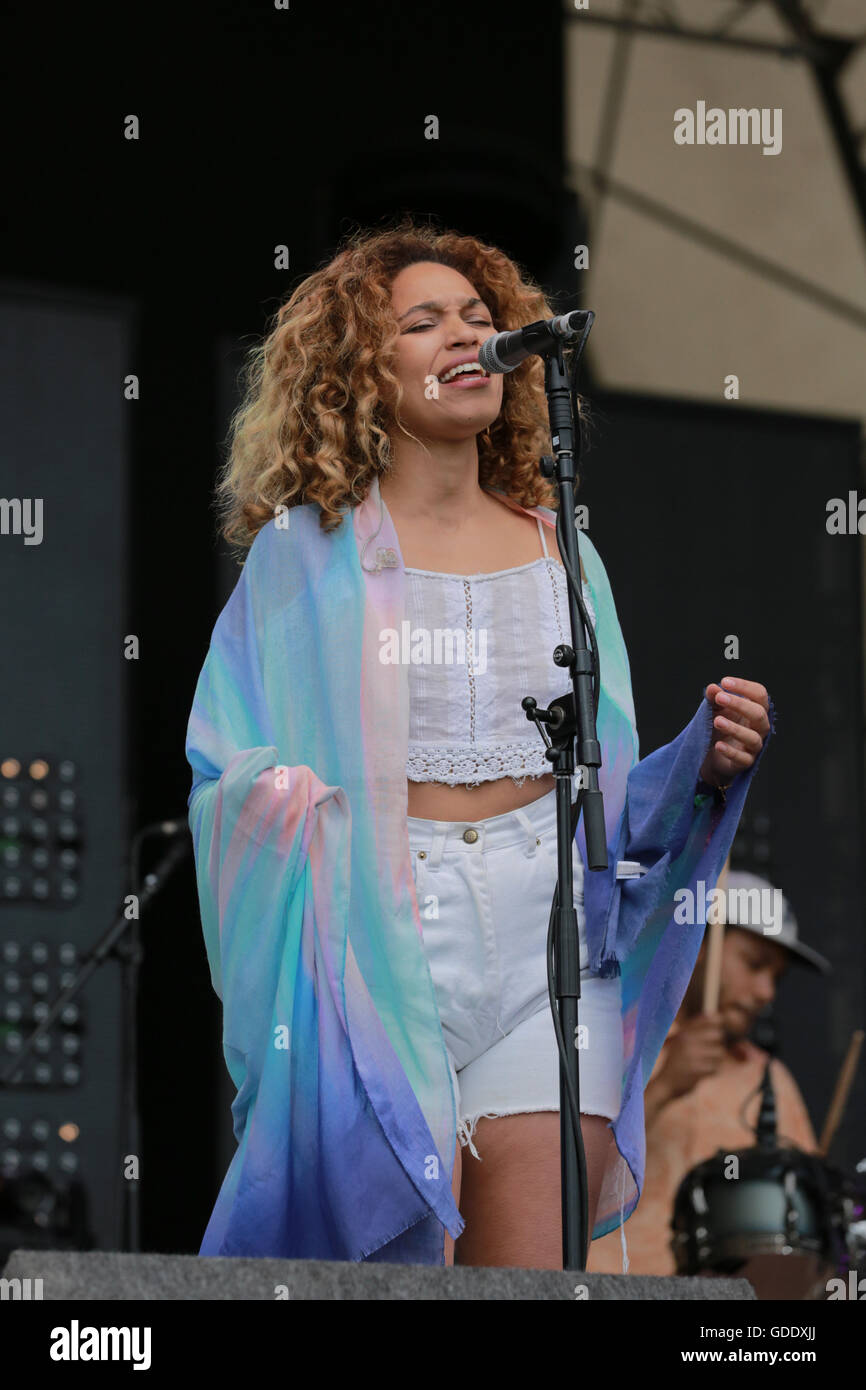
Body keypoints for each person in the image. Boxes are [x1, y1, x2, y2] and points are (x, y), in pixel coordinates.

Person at [185, 218, 774, 1267]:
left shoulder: (562, 553)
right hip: (378, 928)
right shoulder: (303, 558)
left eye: (478, 316)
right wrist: (293, 810)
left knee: (533, 1286)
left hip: (548, 927)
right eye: (423, 321)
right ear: (361, 367)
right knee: (396, 1278)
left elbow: (608, 799)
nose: (465, 335)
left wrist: (706, 758)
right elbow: (222, 762)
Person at [588, 871, 830, 1276]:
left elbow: (803, 1220)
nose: (766, 992)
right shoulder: (608, 1044)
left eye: (776, 978)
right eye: (755, 965)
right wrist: (664, 1088)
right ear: (698, 941)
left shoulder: (769, 1079)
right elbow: (557, 1190)